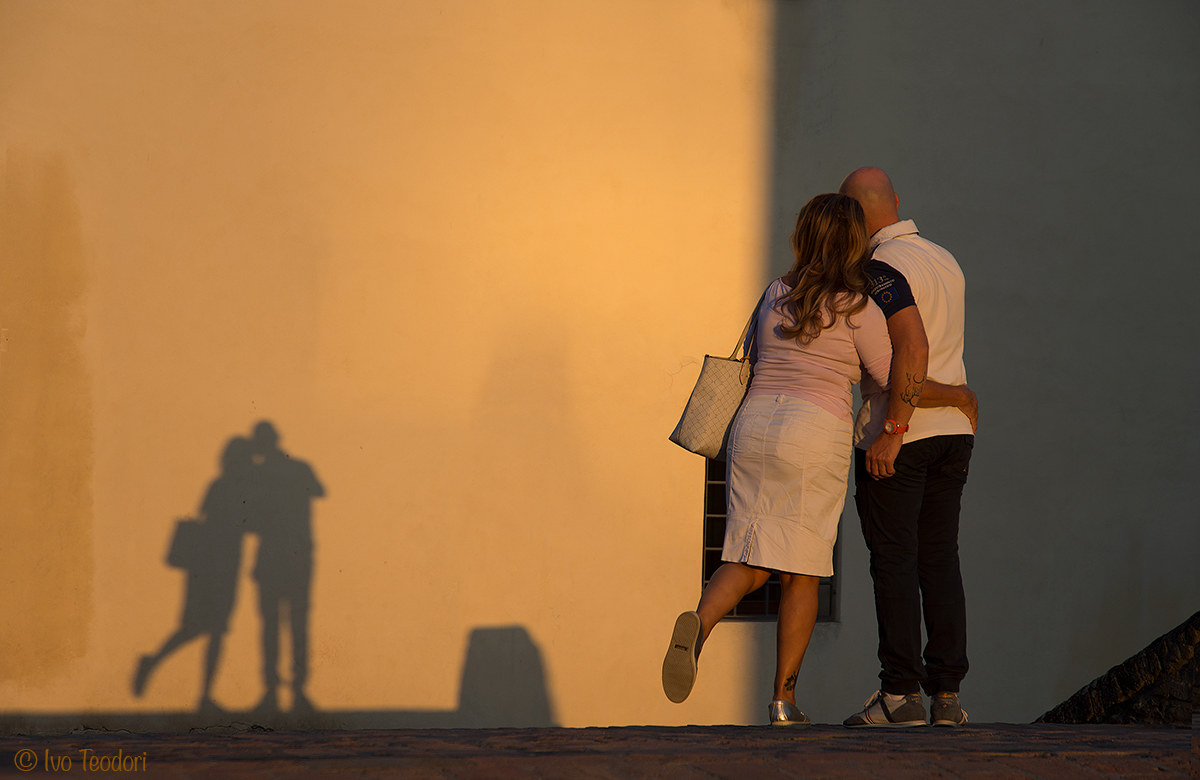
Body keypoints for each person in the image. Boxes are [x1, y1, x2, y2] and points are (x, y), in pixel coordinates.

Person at [661, 193, 966, 725]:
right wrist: (958, 396)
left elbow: (757, 358)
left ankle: (701, 620)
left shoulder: (775, 292)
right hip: (812, 433)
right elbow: (895, 379)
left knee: (749, 551)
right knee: (801, 574)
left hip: (753, 428)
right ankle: (784, 701)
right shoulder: (858, 305)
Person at [838, 167, 977, 728]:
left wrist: (892, 430)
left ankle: (899, 694)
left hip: (901, 433)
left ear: (851, 215)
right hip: (954, 434)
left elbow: (907, 354)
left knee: (893, 562)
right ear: (895, 201)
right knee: (939, 558)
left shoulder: (876, 269)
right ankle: (947, 694)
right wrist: (960, 396)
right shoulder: (945, 258)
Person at [133, 436, 255, 711]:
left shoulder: (223, 486)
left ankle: (200, 692)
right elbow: (232, 523)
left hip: (219, 566)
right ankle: (183, 681)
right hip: (215, 566)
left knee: (210, 630)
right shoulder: (227, 487)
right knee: (204, 629)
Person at [249, 421, 325, 714]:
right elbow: (319, 491)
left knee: (273, 626)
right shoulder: (298, 469)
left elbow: (249, 520)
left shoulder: (259, 475)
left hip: (275, 558)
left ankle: (274, 690)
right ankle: (296, 689)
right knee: (296, 624)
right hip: (296, 558)